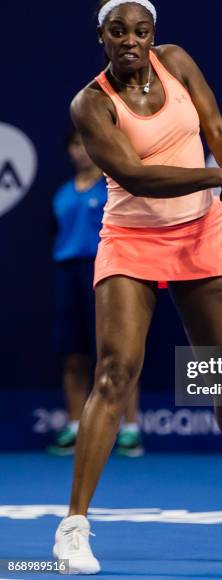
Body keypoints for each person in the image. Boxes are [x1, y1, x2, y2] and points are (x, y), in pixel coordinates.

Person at [53, 0, 222, 574]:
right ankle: (74, 527)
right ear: (101, 38)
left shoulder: (178, 62)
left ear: (153, 35)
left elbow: (215, 125)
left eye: (141, 31)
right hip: (131, 240)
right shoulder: (90, 105)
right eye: (118, 32)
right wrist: (216, 178)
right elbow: (133, 175)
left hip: (200, 234)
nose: (131, 41)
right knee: (114, 371)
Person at [49, 128, 144, 457]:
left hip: (106, 272)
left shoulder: (112, 188)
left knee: (118, 354)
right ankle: (75, 427)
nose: (80, 152)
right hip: (68, 275)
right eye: (74, 145)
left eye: (84, 145)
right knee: (74, 355)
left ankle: (129, 428)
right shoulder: (61, 194)